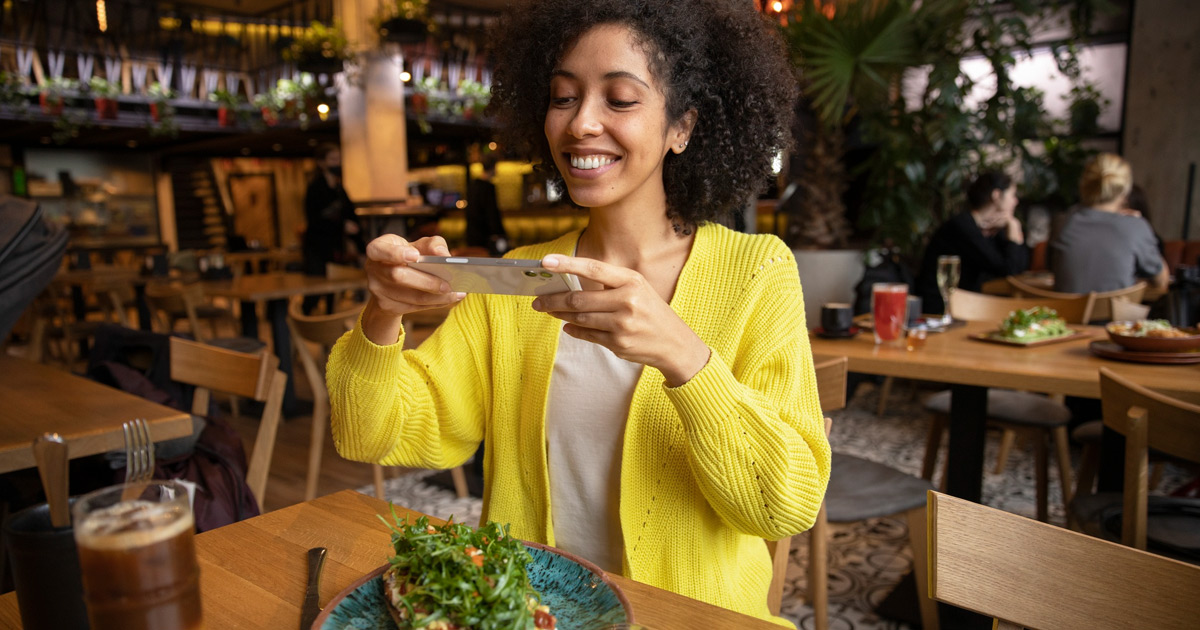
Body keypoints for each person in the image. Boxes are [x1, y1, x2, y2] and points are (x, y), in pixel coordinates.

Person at [325, 1, 829, 626]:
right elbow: (369, 434)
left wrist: (684, 358)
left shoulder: (756, 273)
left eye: (620, 99)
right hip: (536, 614)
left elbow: (783, 507)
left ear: (683, 126)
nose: (581, 123)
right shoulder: (517, 281)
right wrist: (382, 316)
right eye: (563, 98)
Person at [1051, 153, 1169, 293]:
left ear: (1084, 184)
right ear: (1125, 189)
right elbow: (1161, 281)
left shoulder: (1061, 223)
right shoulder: (1136, 227)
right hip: (1118, 314)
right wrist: (1138, 226)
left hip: (1067, 315)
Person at [915, 171, 1029, 314]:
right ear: (996, 195)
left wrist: (1014, 232)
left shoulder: (993, 228)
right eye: (1013, 195)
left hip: (968, 304)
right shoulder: (963, 226)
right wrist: (1014, 229)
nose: (1016, 201)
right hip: (940, 309)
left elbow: (1018, 269)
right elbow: (1008, 270)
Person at [301, 143, 359, 313]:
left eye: (339, 159)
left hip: (335, 247)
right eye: (333, 159)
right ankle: (304, 328)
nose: (337, 163)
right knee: (315, 291)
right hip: (317, 249)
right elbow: (315, 219)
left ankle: (329, 333)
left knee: (333, 294)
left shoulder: (340, 189)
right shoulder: (315, 189)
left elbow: (350, 213)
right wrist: (342, 225)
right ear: (321, 163)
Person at [464, 152, 509, 255]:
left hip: (472, 235)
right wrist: (498, 233)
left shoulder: (472, 185)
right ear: (494, 167)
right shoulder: (488, 187)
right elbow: (492, 213)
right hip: (486, 237)